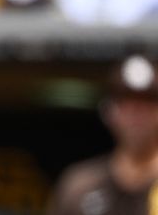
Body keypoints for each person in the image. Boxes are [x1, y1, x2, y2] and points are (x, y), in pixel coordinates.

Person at [46, 54, 158, 215]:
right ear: (108, 110)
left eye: (147, 102)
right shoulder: (79, 186)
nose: (136, 114)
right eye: (126, 103)